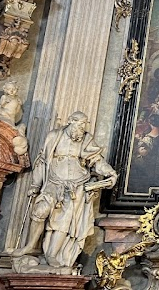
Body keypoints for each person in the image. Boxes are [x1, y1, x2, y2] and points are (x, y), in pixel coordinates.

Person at [12, 111, 118, 269]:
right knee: (40, 211)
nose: (82, 127)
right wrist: (35, 185)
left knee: (65, 221)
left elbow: (96, 160)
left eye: (84, 124)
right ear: (70, 121)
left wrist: (110, 173)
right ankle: (29, 246)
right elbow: (42, 161)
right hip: (53, 182)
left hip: (77, 184)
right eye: (80, 123)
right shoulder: (54, 136)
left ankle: (52, 255)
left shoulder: (86, 139)